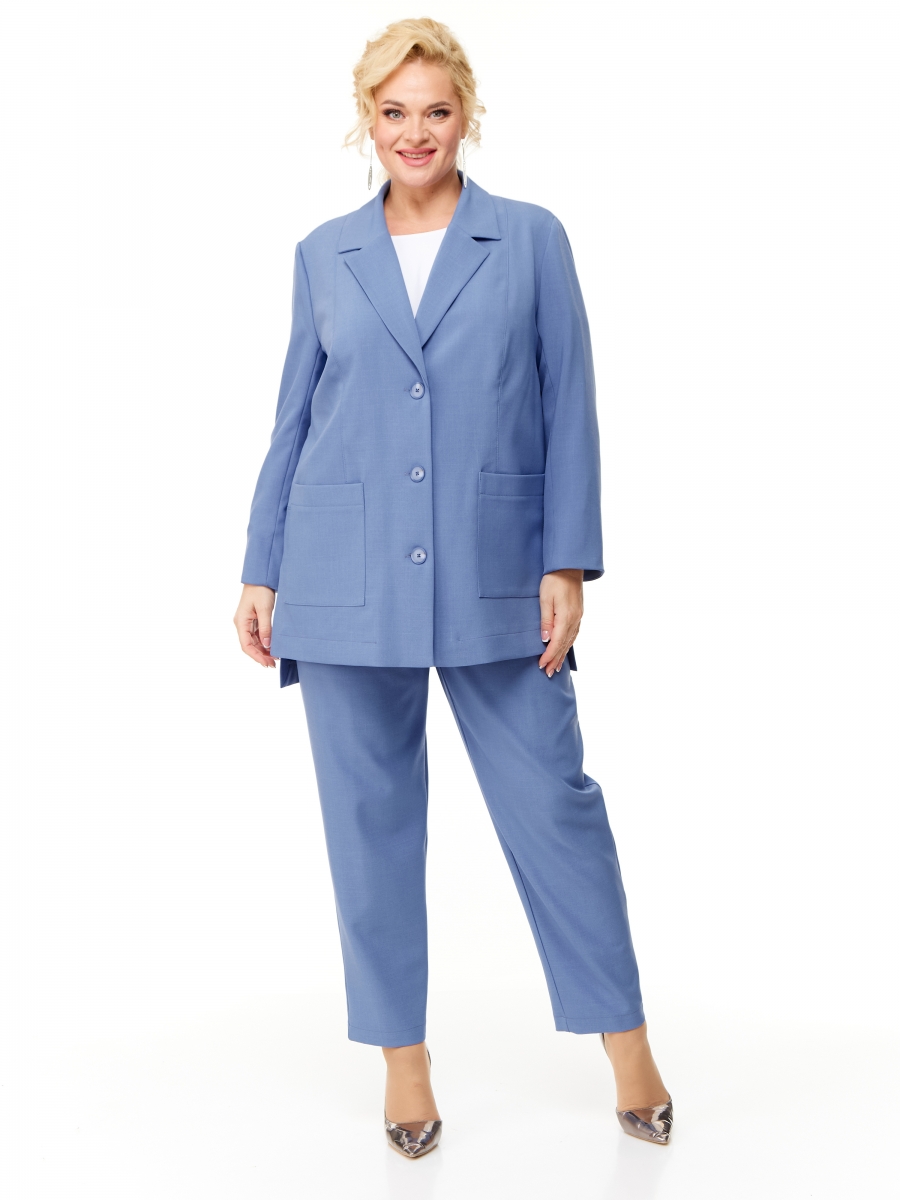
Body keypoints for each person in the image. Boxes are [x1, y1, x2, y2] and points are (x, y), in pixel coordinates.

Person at [234, 16, 672, 1159]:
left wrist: (566, 558)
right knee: (368, 823)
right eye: (394, 112)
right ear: (366, 120)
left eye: (435, 110)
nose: (415, 132)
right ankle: (404, 1062)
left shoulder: (530, 240)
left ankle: (626, 1038)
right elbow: (294, 418)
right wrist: (261, 564)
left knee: (555, 804)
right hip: (341, 574)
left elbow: (570, 402)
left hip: (497, 567)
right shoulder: (324, 254)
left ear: (466, 114)